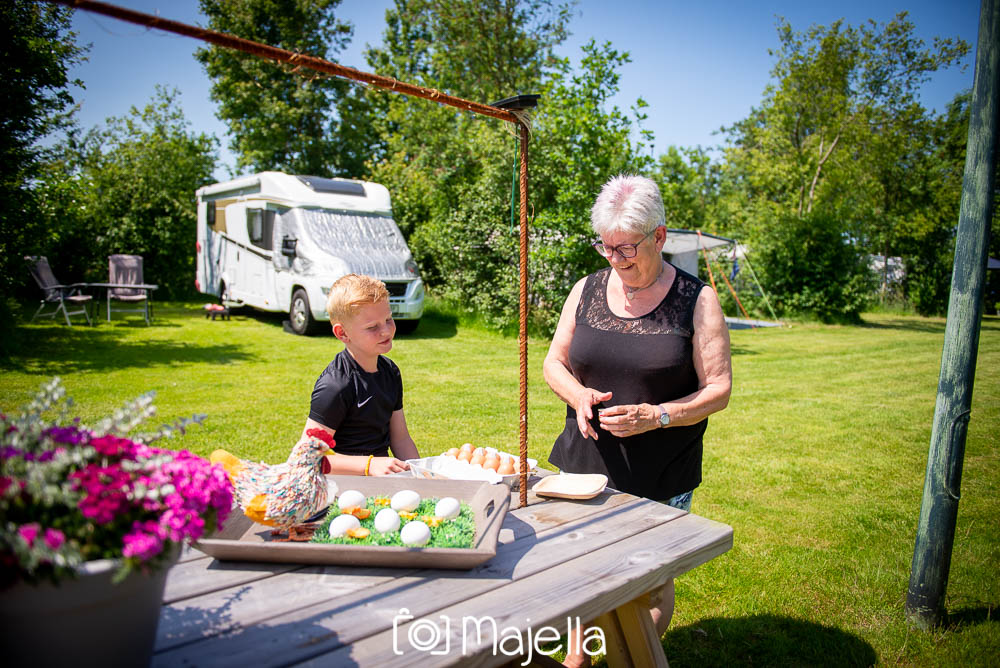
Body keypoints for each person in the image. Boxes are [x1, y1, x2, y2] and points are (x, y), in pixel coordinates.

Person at [543, 174, 732, 666]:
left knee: (647, 579)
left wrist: (658, 415)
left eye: (627, 248)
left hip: (660, 468)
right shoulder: (585, 289)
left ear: (659, 236)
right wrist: (578, 395)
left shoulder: (698, 300)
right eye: (606, 247)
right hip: (585, 462)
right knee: (579, 567)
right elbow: (553, 362)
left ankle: (632, 657)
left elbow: (718, 389)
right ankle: (578, 659)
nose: (616, 259)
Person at [299, 274, 419, 476]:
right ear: (342, 333)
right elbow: (309, 457)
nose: (385, 331)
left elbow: (400, 439)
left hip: (381, 483)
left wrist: (420, 475)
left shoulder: (390, 371)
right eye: (372, 327)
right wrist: (369, 465)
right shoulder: (335, 386)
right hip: (341, 487)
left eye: (388, 319)